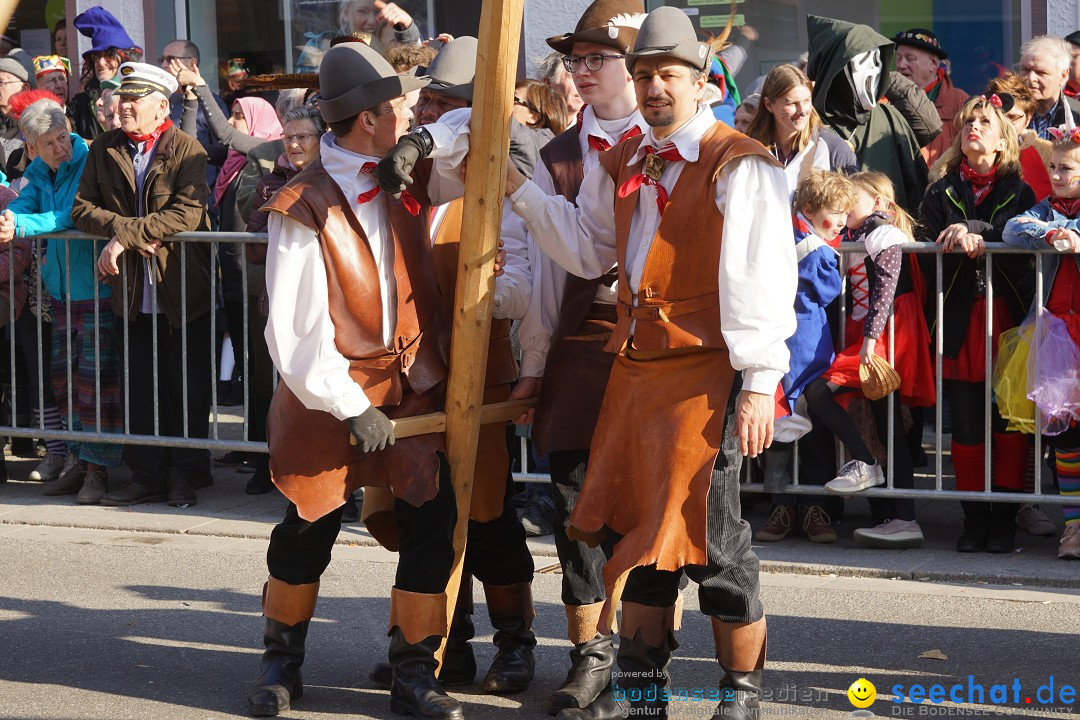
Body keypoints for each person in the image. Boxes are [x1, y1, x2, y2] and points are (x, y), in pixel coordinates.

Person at [502, 8, 795, 717]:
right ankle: (643, 697)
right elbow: (585, 248)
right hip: (633, 374)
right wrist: (521, 193)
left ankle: (741, 695)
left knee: (714, 539)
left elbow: (759, 276)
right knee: (639, 542)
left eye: (667, 74)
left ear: (703, 83)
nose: (654, 86)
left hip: (706, 376)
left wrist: (759, 382)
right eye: (643, 74)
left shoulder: (739, 162)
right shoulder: (625, 158)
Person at [245, 40, 474, 719]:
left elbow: (490, 127)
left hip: (407, 384)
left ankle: (414, 675)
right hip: (326, 390)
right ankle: (279, 666)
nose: (410, 114)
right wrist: (349, 405)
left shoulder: (410, 169)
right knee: (308, 524)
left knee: (434, 517)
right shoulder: (302, 202)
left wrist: (425, 138)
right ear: (371, 117)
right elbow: (292, 330)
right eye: (401, 108)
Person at [365, 35, 540, 699]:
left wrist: (481, 292)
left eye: (447, 102)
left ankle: (516, 645)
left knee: (489, 515)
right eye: (429, 99)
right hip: (412, 377)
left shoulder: (504, 186)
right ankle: (441, 645)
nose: (431, 113)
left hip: (481, 373)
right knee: (420, 515)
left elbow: (524, 288)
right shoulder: (412, 181)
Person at [506, 1, 651, 712]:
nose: (581, 71)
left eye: (599, 58)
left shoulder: (680, 140)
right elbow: (542, 273)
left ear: (640, 66)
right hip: (580, 342)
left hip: (660, 349)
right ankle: (591, 655)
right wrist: (534, 363)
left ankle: (642, 663)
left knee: (648, 510)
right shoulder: (560, 154)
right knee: (575, 508)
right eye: (576, 59)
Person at [70, 62, 214, 508]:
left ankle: (185, 474)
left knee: (183, 385)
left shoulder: (187, 147)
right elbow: (81, 208)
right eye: (122, 97)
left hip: (180, 288)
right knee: (140, 385)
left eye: (134, 98)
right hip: (131, 292)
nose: (124, 105)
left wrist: (124, 237)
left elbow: (187, 213)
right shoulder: (105, 147)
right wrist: (125, 233)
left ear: (161, 105)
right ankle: (146, 475)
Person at [918, 95, 1037, 553]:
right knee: (966, 424)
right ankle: (974, 518)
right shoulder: (939, 189)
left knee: (1007, 423)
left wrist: (974, 229)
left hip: (1005, 316)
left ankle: (1004, 519)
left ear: (1002, 138)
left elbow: (1014, 231)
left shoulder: (1019, 190)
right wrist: (949, 240)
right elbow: (925, 246)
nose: (974, 127)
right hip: (962, 317)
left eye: (985, 121)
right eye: (969, 120)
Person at [800, 172, 933, 549]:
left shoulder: (884, 233)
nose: (844, 206)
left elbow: (885, 291)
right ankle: (897, 515)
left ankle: (892, 500)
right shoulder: (858, 236)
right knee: (885, 428)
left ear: (876, 201)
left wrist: (871, 341)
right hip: (870, 334)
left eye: (851, 198)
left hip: (887, 335)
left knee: (825, 395)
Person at [3, 98, 124, 503]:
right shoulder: (39, 170)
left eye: (62, 138)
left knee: (96, 385)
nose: (61, 148)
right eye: (49, 143)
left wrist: (19, 223)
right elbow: (27, 202)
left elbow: (74, 215)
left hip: (96, 288)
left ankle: (98, 470)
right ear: (32, 148)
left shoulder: (88, 159)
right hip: (61, 292)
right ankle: (77, 460)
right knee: (66, 384)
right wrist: (9, 217)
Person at [754, 171, 856, 546]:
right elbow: (830, 290)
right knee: (808, 421)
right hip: (807, 341)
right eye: (836, 212)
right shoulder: (817, 249)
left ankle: (793, 506)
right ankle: (806, 508)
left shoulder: (782, 236)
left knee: (783, 419)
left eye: (845, 212)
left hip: (781, 338)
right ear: (811, 209)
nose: (842, 220)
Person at [1003, 129, 1080, 560]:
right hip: (1058, 339)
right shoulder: (1048, 210)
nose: (1055, 174)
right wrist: (1054, 234)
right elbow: (1014, 228)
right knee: (1067, 438)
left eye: (1066, 167)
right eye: (1052, 166)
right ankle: (1074, 527)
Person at [806, 15, 930, 212]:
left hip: (892, 238)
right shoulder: (807, 122)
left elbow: (918, 191)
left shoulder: (889, 117)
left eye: (878, 61)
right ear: (837, 70)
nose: (874, 71)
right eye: (864, 61)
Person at [745, 63, 857, 196]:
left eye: (807, 101)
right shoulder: (750, 148)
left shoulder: (833, 148)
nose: (802, 111)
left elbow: (852, 205)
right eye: (792, 103)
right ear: (769, 104)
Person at [160, 39, 230, 189]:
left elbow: (225, 155)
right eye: (162, 59)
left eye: (170, 59)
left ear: (192, 63)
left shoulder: (210, 103)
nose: (164, 65)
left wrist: (212, 203)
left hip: (200, 196)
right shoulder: (160, 101)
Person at [893, 28, 968, 167]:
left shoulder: (960, 102)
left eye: (910, 58)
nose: (901, 65)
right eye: (898, 58)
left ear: (933, 64)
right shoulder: (883, 101)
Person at [70, 6, 142, 140]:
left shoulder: (142, 97)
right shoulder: (79, 104)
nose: (101, 62)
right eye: (96, 56)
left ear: (125, 57)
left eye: (109, 55)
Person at [981, 74, 1052, 202]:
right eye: (1000, 116)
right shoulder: (968, 151)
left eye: (1013, 117)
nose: (1005, 123)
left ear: (1028, 118)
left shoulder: (1049, 154)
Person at [1020, 35, 1080, 139]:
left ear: (1063, 75)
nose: (1030, 78)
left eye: (1041, 72)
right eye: (1025, 69)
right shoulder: (1005, 112)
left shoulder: (1077, 115)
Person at [536, 50, 583, 124]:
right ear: (548, 83)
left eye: (585, 78)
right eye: (573, 77)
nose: (582, 84)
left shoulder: (591, 129)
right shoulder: (529, 121)